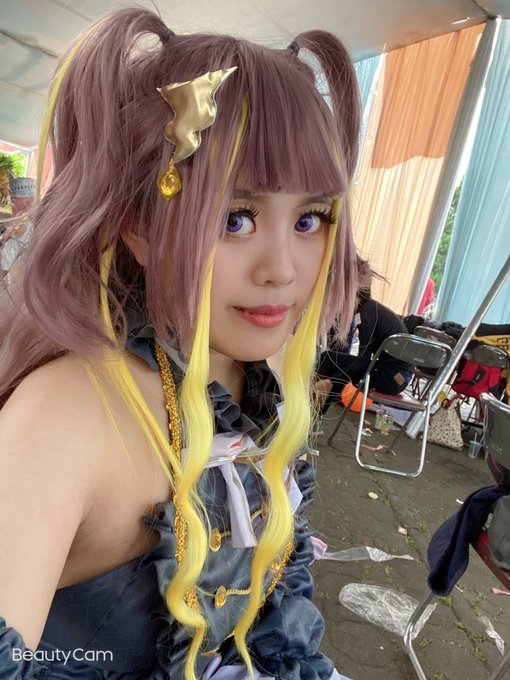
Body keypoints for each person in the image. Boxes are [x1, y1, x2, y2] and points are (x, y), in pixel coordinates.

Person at [0, 9, 360, 680]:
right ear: (138, 222)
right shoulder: (65, 417)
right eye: (236, 218)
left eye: (310, 218)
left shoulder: (254, 371)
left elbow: (280, 623)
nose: (282, 269)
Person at [316, 258, 412, 410]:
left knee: (331, 365)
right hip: (394, 375)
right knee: (328, 358)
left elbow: (363, 362)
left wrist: (331, 381)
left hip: (392, 379)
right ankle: (316, 409)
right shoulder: (370, 309)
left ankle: (316, 409)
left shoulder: (368, 314)